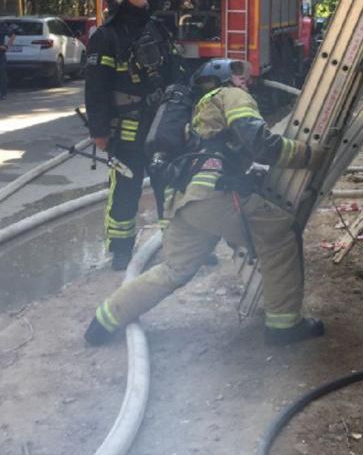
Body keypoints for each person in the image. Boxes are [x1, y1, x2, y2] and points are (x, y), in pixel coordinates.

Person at [84, 58, 324, 347]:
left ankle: (104, 320)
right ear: (226, 77)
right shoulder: (230, 96)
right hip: (215, 197)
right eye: (242, 76)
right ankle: (284, 324)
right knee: (280, 234)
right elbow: (259, 143)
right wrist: (310, 155)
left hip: (185, 203)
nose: (247, 81)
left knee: (174, 270)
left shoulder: (195, 111)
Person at [85, 0, 181, 270]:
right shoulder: (106, 37)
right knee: (127, 187)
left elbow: (174, 72)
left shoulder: (156, 28)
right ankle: (122, 250)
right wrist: (99, 130)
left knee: (171, 184)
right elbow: (96, 87)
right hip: (127, 127)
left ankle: (180, 246)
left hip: (162, 123)